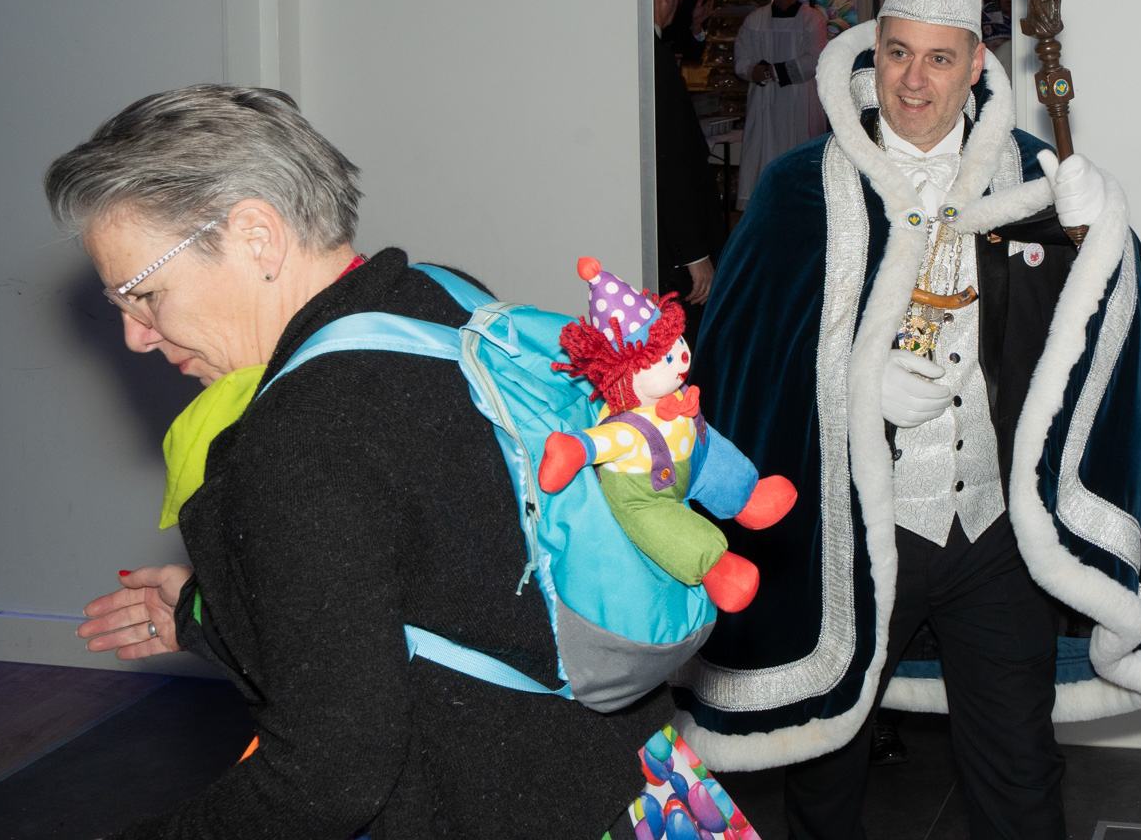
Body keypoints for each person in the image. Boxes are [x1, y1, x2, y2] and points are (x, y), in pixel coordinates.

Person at [671, 0, 1141, 839]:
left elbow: (1102, 337)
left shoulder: (1031, 178)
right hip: (856, 529)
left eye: (938, 58)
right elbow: (742, 367)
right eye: (897, 52)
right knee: (825, 766)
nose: (912, 81)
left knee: (1018, 768)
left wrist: (1102, 233)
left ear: (975, 64)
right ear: (872, 53)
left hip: (992, 532)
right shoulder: (797, 190)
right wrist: (856, 388)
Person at [48, 85, 674, 839]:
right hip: (641, 783)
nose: (136, 335)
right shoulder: (440, 300)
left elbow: (330, 775)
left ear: (256, 236)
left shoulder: (302, 437)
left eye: (145, 294)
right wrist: (216, 615)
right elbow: (451, 595)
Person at [652, 0, 728, 343]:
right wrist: (695, 254)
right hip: (679, 247)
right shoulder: (655, 59)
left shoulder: (650, 49)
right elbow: (671, 162)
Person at [732, 0, 827, 208]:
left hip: (801, 103)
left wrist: (769, 72)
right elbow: (741, 60)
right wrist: (752, 71)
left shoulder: (812, 20)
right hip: (764, 106)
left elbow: (812, 61)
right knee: (764, 161)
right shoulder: (755, 21)